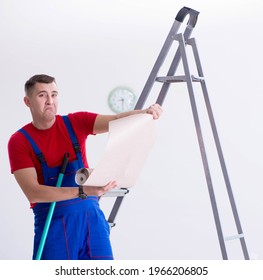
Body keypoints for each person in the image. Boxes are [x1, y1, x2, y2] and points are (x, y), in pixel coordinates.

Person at [7, 74, 162, 260]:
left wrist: (145, 112)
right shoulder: (20, 141)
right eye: (42, 95)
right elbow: (34, 192)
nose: (50, 101)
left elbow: (118, 119)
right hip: (53, 226)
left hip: (92, 221)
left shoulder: (75, 123)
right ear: (27, 101)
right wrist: (83, 190)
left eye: (54, 94)